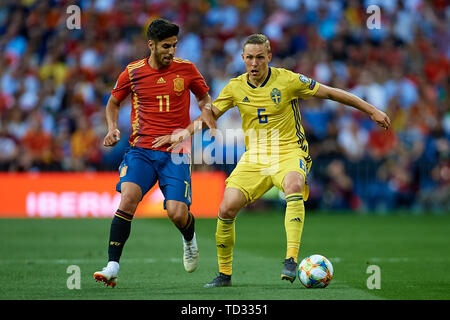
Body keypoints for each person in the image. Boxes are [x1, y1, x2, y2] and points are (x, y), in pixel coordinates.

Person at [153, 33, 390, 287]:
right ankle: (224, 275)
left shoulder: (287, 80)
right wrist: (181, 133)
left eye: (259, 58)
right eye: (249, 58)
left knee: (293, 186)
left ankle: (290, 259)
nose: (254, 63)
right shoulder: (235, 87)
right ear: (243, 58)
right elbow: (209, 115)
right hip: (254, 158)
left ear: (269, 57)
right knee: (226, 208)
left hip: (289, 152)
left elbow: (331, 93)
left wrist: (372, 110)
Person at [93, 18, 216, 288]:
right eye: (165, 46)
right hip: (141, 149)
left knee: (176, 213)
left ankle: (188, 238)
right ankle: (112, 265)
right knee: (128, 199)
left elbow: (207, 102)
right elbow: (113, 102)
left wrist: (192, 125)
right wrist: (112, 128)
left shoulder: (187, 70)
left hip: (176, 151)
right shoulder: (133, 72)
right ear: (151, 45)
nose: (171, 51)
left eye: (174, 45)